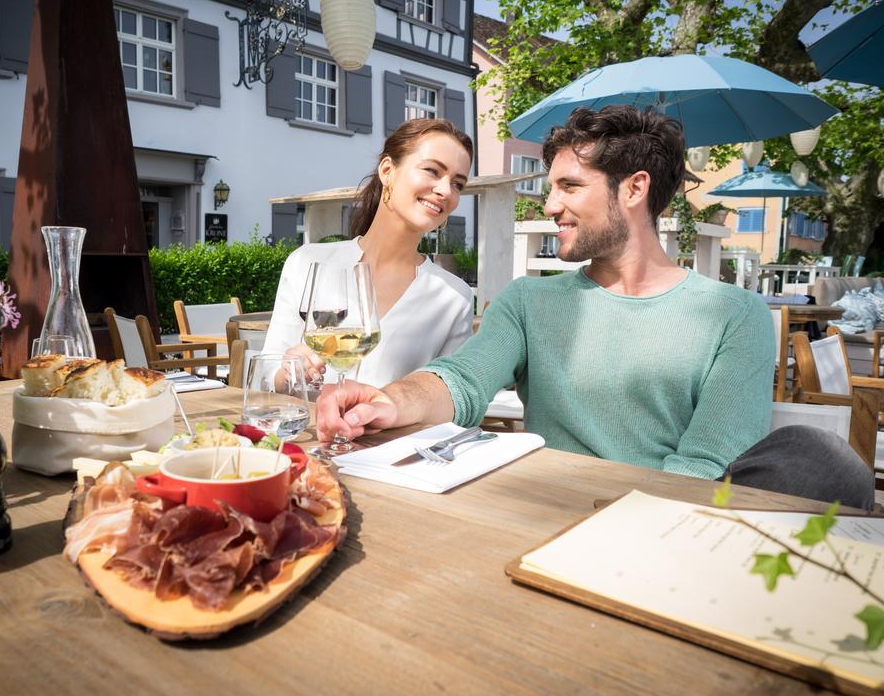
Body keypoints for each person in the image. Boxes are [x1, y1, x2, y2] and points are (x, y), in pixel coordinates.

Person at [316, 105, 874, 510]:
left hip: (665, 525)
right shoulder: (529, 301)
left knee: (819, 457)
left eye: (569, 186)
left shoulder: (736, 314)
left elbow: (702, 469)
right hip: (536, 515)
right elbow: (461, 381)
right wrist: (390, 401)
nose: (551, 203)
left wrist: (621, 528)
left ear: (633, 190)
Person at [262, 118, 475, 388]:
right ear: (388, 170)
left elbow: (449, 397)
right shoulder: (308, 262)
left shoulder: (454, 297)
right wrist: (290, 370)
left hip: (395, 432)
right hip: (307, 428)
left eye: (458, 184)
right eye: (432, 170)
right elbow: (267, 377)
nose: (445, 190)